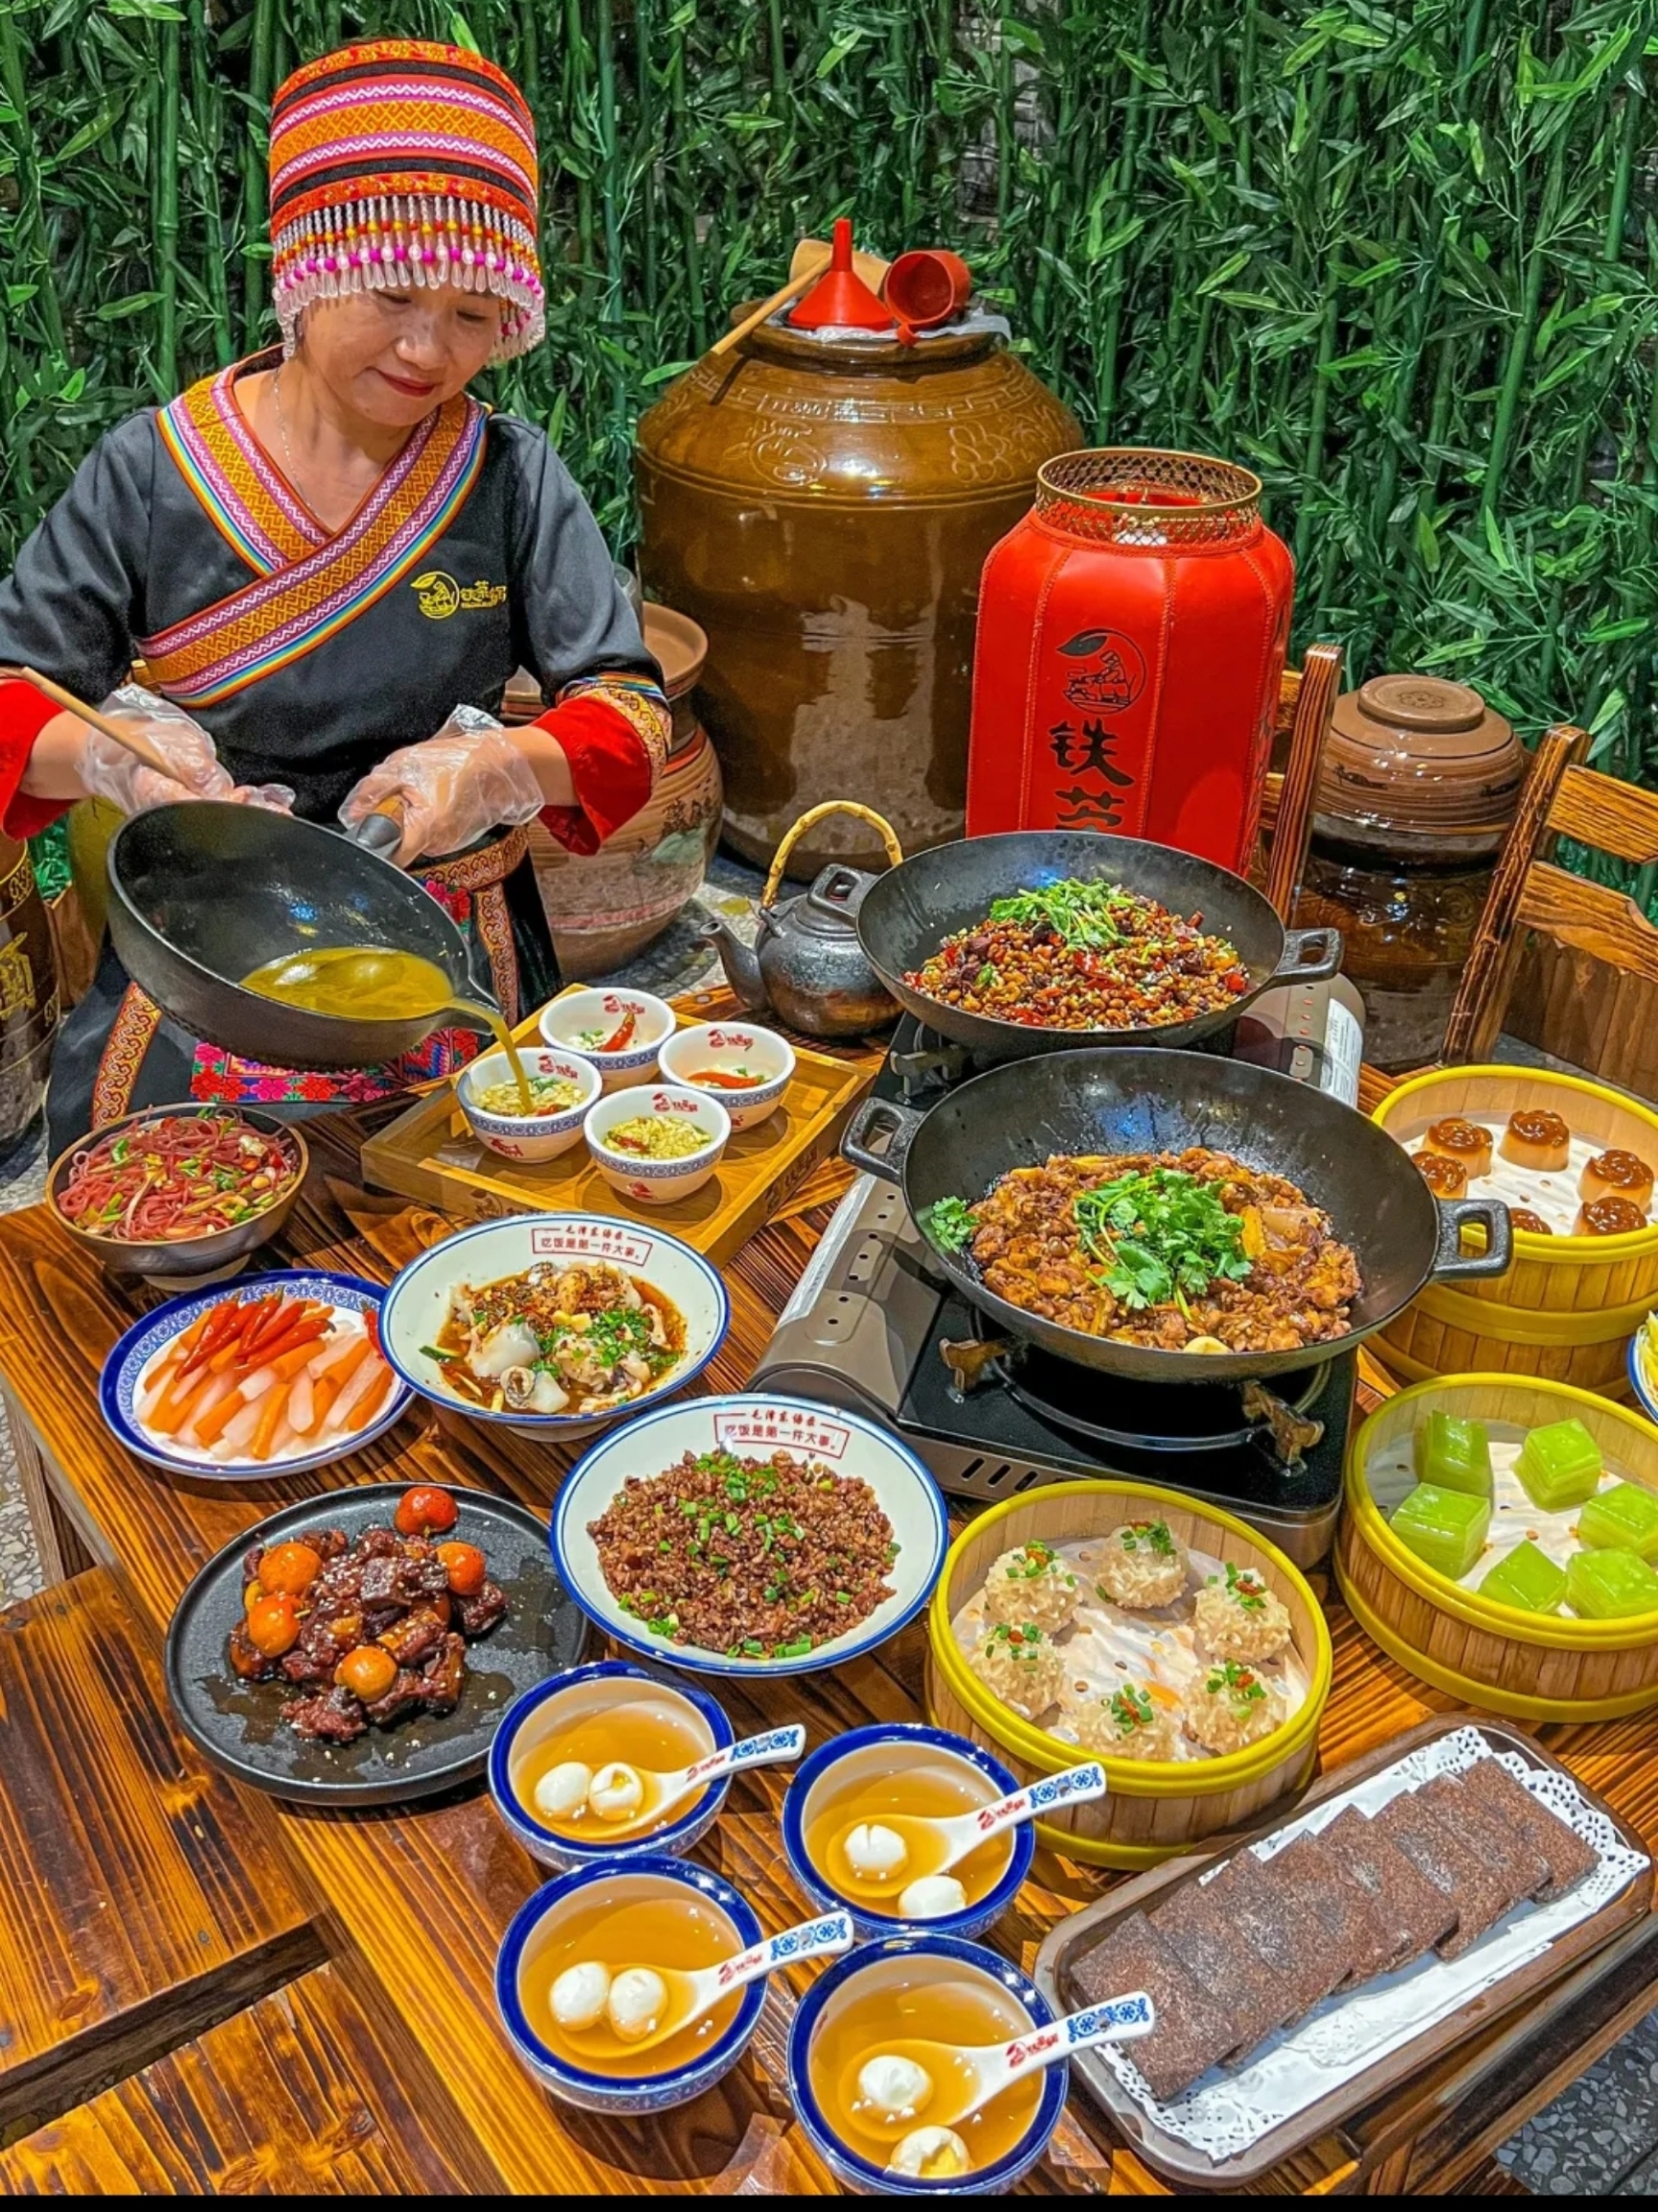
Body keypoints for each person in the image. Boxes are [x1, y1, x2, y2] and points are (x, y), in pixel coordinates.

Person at [0, 37, 670, 1149]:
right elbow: (13, 697)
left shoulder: (510, 475)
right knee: (172, 1206)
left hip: (451, 943)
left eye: (473, 314)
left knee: (476, 1219)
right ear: (303, 271)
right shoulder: (153, 472)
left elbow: (631, 717)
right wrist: (121, 762)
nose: (428, 350)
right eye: (393, 293)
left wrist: (495, 768)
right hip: (204, 943)